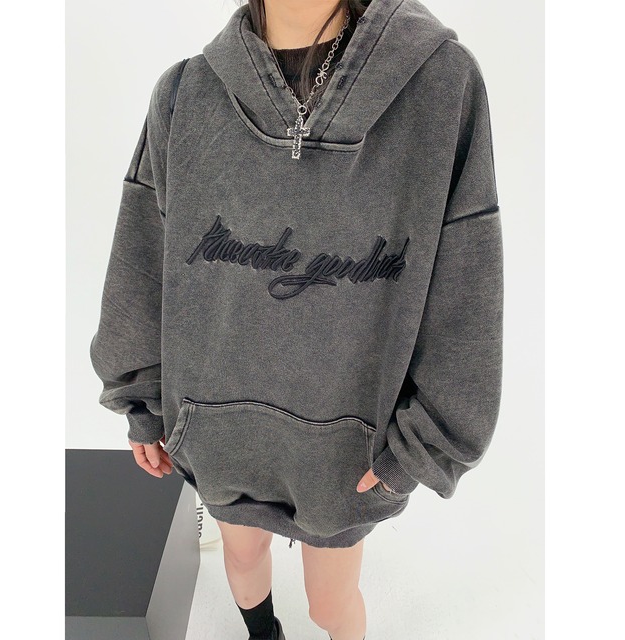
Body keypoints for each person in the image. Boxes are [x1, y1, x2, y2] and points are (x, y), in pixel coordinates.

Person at [89, 0, 504, 638]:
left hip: (346, 454)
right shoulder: (185, 94)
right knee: (241, 559)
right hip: (220, 432)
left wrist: (426, 445)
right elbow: (141, 257)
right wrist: (140, 398)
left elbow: (466, 287)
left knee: (330, 604)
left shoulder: (439, 87)